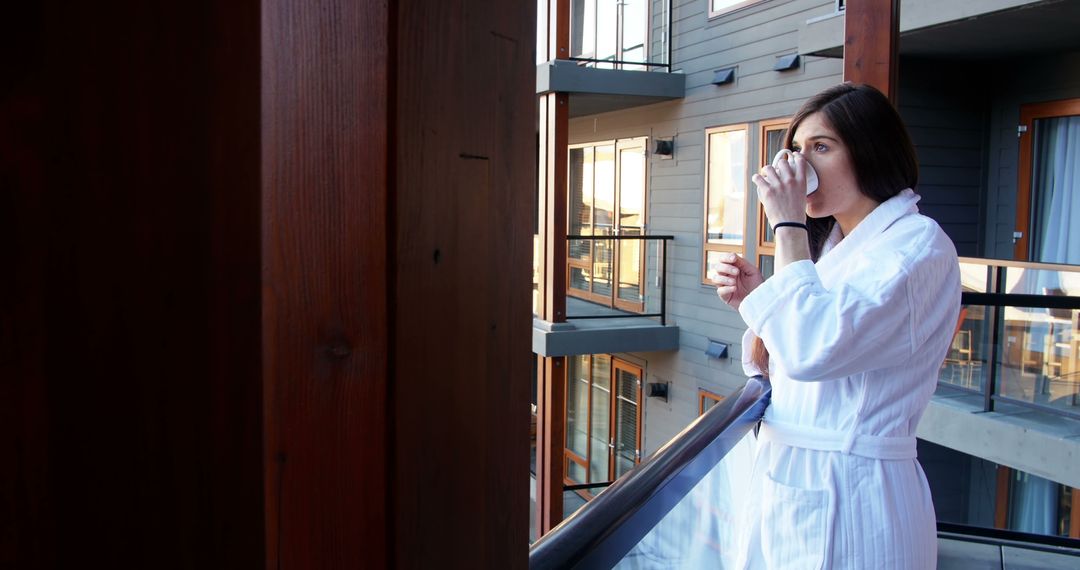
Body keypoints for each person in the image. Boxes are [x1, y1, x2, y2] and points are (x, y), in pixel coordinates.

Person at [709, 83, 961, 569]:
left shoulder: (915, 247)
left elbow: (812, 351)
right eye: (795, 151)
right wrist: (756, 298)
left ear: (871, 150)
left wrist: (787, 226)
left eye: (820, 148)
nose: (800, 166)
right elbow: (778, 358)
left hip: (853, 492)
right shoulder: (838, 250)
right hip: (800, 480)